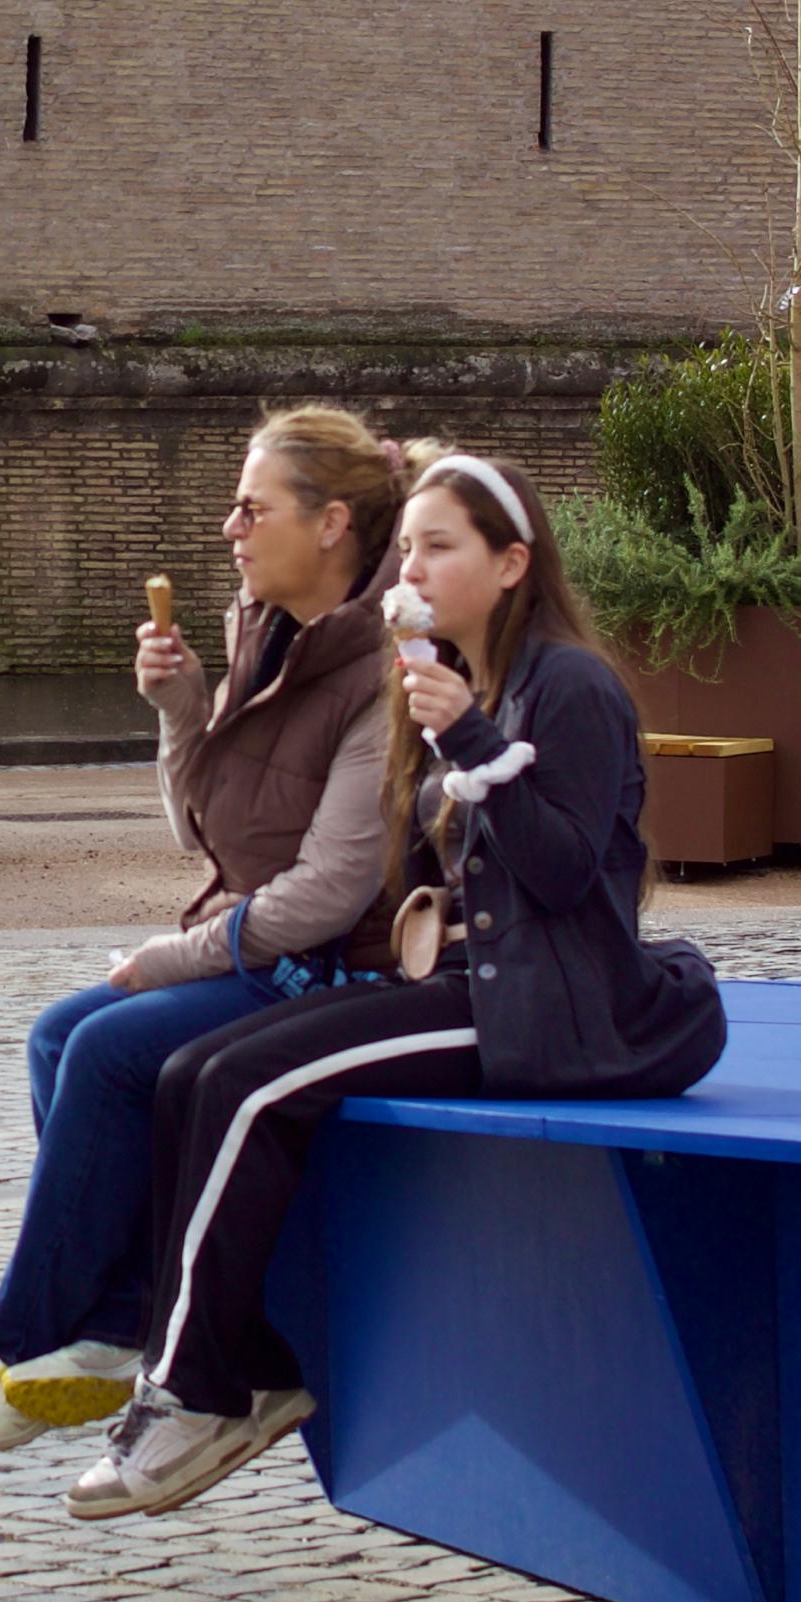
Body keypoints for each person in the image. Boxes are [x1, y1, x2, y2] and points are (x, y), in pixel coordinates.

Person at [67, 448, 725, 1520]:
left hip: (553, 1012)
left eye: (438, 546)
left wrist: (465, 734)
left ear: (511, 563)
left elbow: (563, 874)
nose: (408, 571)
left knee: (248, 1089)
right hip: (465, 984)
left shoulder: (568, 684)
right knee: (193, 1069)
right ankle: (230, 1355)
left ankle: (191, 1391)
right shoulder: (443, 680)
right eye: (404, 548)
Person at [0, 405, 420, 1456]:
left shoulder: (379, 669)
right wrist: (180, 711)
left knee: (110, 1043)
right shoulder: (264, 629)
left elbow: (331, 891)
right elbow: (204, 828)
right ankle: (118, 1324)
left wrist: (169, 959)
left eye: (252, 507)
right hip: (266, 945)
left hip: (342, 968)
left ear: (331, 521)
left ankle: (69, 1337)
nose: (228, 528)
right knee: (60, 1033)